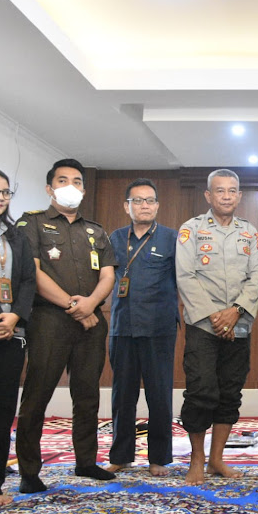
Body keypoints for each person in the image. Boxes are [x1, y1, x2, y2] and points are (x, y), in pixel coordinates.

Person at [15, 158, 117, 493]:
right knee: (37, 393)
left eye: (76, 181)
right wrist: (76, 306)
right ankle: (29, 470)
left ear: (84, 189)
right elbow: (33, 273)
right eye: (62, 180)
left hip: (91, 322)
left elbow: (108, 275)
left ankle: (86, 462)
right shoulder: (31, 223)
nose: (70, 186)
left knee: (87, 396)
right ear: (49, 187)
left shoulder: (96, 230)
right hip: (48, 321)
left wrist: (90, 305)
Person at [176, 169, 258, 485]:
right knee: (201, 390)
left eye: (232, 191)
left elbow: (256, 277)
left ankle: (216, 460)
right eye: (220, 191)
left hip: (239, 324)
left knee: (229, 392)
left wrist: (236, 311)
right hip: (203, 324)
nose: (226, 196)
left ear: (239, 196)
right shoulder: (191, 230)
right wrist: (216, 316)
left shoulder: (249, 232)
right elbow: (185, 276)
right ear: (208, 196)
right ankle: (196, 460)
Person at [106, 178, 180, 477]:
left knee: (159, 395)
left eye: (150, 200)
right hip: (123, 326)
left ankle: (158, 457)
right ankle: (121, 455)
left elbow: (184, 281)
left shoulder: (171, 238)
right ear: (127, 206)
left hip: (159, 327)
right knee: (122, 395)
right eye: (137, 200)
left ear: (158, 205)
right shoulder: (115, 238)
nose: (144, 205)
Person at [0, 167, 36, 509]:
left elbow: (29, 281)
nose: (0, 197)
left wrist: (15, 315)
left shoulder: (16, 236)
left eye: (5, 192)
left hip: (12, 336)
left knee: (2, 413)